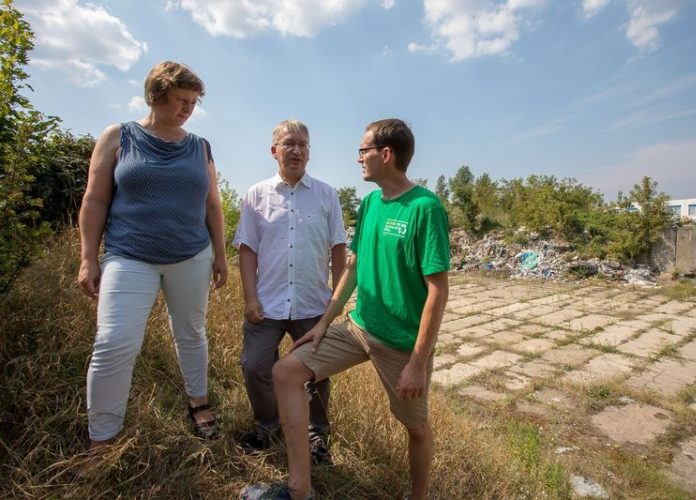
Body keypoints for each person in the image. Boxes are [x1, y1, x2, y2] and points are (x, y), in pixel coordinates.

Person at [240, 118, 450, 500]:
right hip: (359, 328)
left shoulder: (425, 208)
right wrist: (325, 322)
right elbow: (352, 267)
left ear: (385, 155)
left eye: (363, 151)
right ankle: (299, 490)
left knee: (416, 428)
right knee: (286, 372)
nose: (358, 159)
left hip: (402, 344)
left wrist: (418, 362)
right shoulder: (370, 203)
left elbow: (438, 291)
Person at [77, 61, 227, 449]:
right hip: (129, 255)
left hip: (191, 255)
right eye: (181, 100)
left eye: (193, 102)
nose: (188, 109)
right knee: (113, 341)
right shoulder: (118, 137)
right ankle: (103, 437)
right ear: (156, 95)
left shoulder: (201, 147)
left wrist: (221, 256)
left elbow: (213, 206)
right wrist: (87, 258)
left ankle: (199, 401)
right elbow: (94, 200)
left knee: (191, 334)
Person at [233, 119, 347, 465]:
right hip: (266, 303)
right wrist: (250, 297)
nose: (296, 150)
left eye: (303, 145)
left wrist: (336, 299)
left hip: (313, 304)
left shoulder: (327, 195)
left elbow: (339, 248)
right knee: (255, 366)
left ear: (309, 153)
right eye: (289, 144)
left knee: (317, 374)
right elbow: (247, 249)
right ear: (275, 151)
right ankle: (269, 427)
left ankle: (316, 438)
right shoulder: (256, 195)